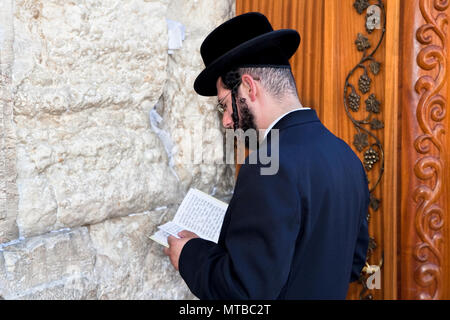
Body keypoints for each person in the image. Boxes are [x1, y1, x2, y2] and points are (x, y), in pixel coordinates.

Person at [164, 12, 369, 300]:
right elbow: (353, 263)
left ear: (249, 87)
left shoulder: (266, 165)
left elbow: (244, 291)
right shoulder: (346, 156)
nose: (226, 120)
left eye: (224, 104)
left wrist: (189, 254)